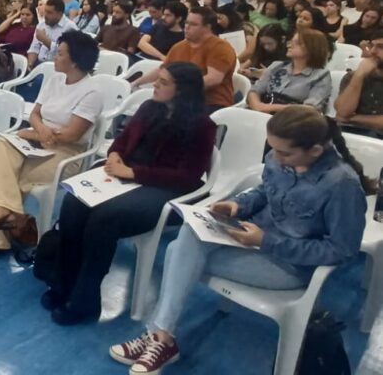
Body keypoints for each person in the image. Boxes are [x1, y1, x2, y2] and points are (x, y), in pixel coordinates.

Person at [110, 106, 367, 375]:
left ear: (315, 150)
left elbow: (341, 251)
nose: (276, 158)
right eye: (273, 149)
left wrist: (267, 241)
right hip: (252, 240)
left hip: (289, 266)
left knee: (177, 251)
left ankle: (159, 336)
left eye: (285, 153)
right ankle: (162, 337)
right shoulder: (279, 158)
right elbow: (263, 192)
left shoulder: (342, 186)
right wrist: (237, 205)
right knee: (188, 233)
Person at [44, 62, 217, 325]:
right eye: (157, 79)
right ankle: (63, 283)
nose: (155, 85)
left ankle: (85, 300)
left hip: (165, 188)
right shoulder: (149, 108)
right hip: (126, 174)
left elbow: (188, 176)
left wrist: (133, 173)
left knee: (104, 219)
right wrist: (114, 157)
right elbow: (121, 143)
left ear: (182, 90)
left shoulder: (201, 125)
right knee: (73, 203)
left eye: (163, 82)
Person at [0, 31, 103, 261]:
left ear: (75, 61)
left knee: (11, 174)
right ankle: (10, 214)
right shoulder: (54, 79)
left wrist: (35, 132)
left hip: (65, 154)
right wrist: (39, 131)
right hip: (38, 141)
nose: (54, 55)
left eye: (60, 53)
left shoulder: (92, 92)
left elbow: (71, 135)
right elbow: (34, 114)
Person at [133, 7, 237, 111]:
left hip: (211, 102)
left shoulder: (220, 47)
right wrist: (136, 83)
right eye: (186, 23)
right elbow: (163, 70)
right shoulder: (179, 47)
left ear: (208, 27)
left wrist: (176, 89)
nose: (187, 27)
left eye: (193, 24)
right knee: (146, 108)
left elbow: (213, 79)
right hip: (180, 99)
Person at [247, 29, 331, 114]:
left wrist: (268, 107)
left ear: (312, 48)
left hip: (291, 120)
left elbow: (311, 108)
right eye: (290, 42)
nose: (289, 45)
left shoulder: (321, 75)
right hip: (260, 112)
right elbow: (255, 90)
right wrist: (258, 106)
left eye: (297, 43)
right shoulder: (277, 66)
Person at [335, 29, 383, 137]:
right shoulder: (353, 76)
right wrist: (359, 76)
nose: (372, 51)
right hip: (350, 133)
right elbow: (342, 112)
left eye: (381, 47)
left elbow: (343, 118)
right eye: (372, 45)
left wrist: (352, 118)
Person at [27, 0, 77, 68]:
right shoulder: (42, 24)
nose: (45, 15)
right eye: (45, 11)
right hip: (39, 65)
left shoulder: (70, 28)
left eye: (49, 12)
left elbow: (68, 53)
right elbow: (34, 47)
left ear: (60, 13)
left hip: (59, 68)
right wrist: (30, 64)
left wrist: (45, 40)